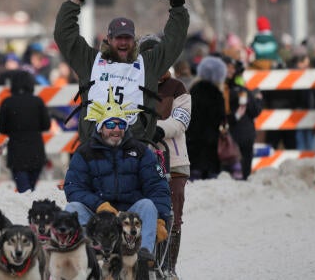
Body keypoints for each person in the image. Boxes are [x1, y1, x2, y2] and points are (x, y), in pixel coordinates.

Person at [54, 0, 189, 141]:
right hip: (95, 149)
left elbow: (173, 42)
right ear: (109, 40)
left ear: (134, 40)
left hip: (134, 149)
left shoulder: (148, 64)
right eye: (118, 38)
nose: (123, 42)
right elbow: (64, 35)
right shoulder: (90, 62)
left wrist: (177, 5)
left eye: (127, 38)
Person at [63, 86, 171, 266]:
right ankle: (82, 259)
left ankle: (144, 256)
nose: (116, 130)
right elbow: (73, 187)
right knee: (72, 208)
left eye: (121, 124)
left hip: (132, 214)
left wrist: (160, 219)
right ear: (100, 127)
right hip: (99, 214)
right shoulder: (85, 152)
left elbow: (157, 187)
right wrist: (100, 205)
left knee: (148, 204)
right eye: (111, 124)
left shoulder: (141, 151)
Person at [140, 34, 191, 279]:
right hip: (142, 158)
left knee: (172, 212)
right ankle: (148, 264)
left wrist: (157, 128)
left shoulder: (177, 88)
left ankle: (169, 267)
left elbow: (181, 120)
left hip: (173, 157)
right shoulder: (134, 84)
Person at [0, 70, 51, 193]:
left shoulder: (7, 103)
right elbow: (46, 125)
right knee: (30, 189)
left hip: (17, 153)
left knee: (24, 191)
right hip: (36, 152)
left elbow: (1, 128)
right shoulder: (37, 102)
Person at [186, 56, 227, 180]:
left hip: (192, 139)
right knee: (210, 176)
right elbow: (221, 116)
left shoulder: (193, 90)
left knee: (194, 174)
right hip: (210, 141)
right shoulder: (217, 94)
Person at [222, 56, 263, 180]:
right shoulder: (243, 91)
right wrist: (259, 99)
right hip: (245, 132)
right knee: (245, 166)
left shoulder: (223, 90)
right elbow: (255, 111)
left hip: (228, 133)